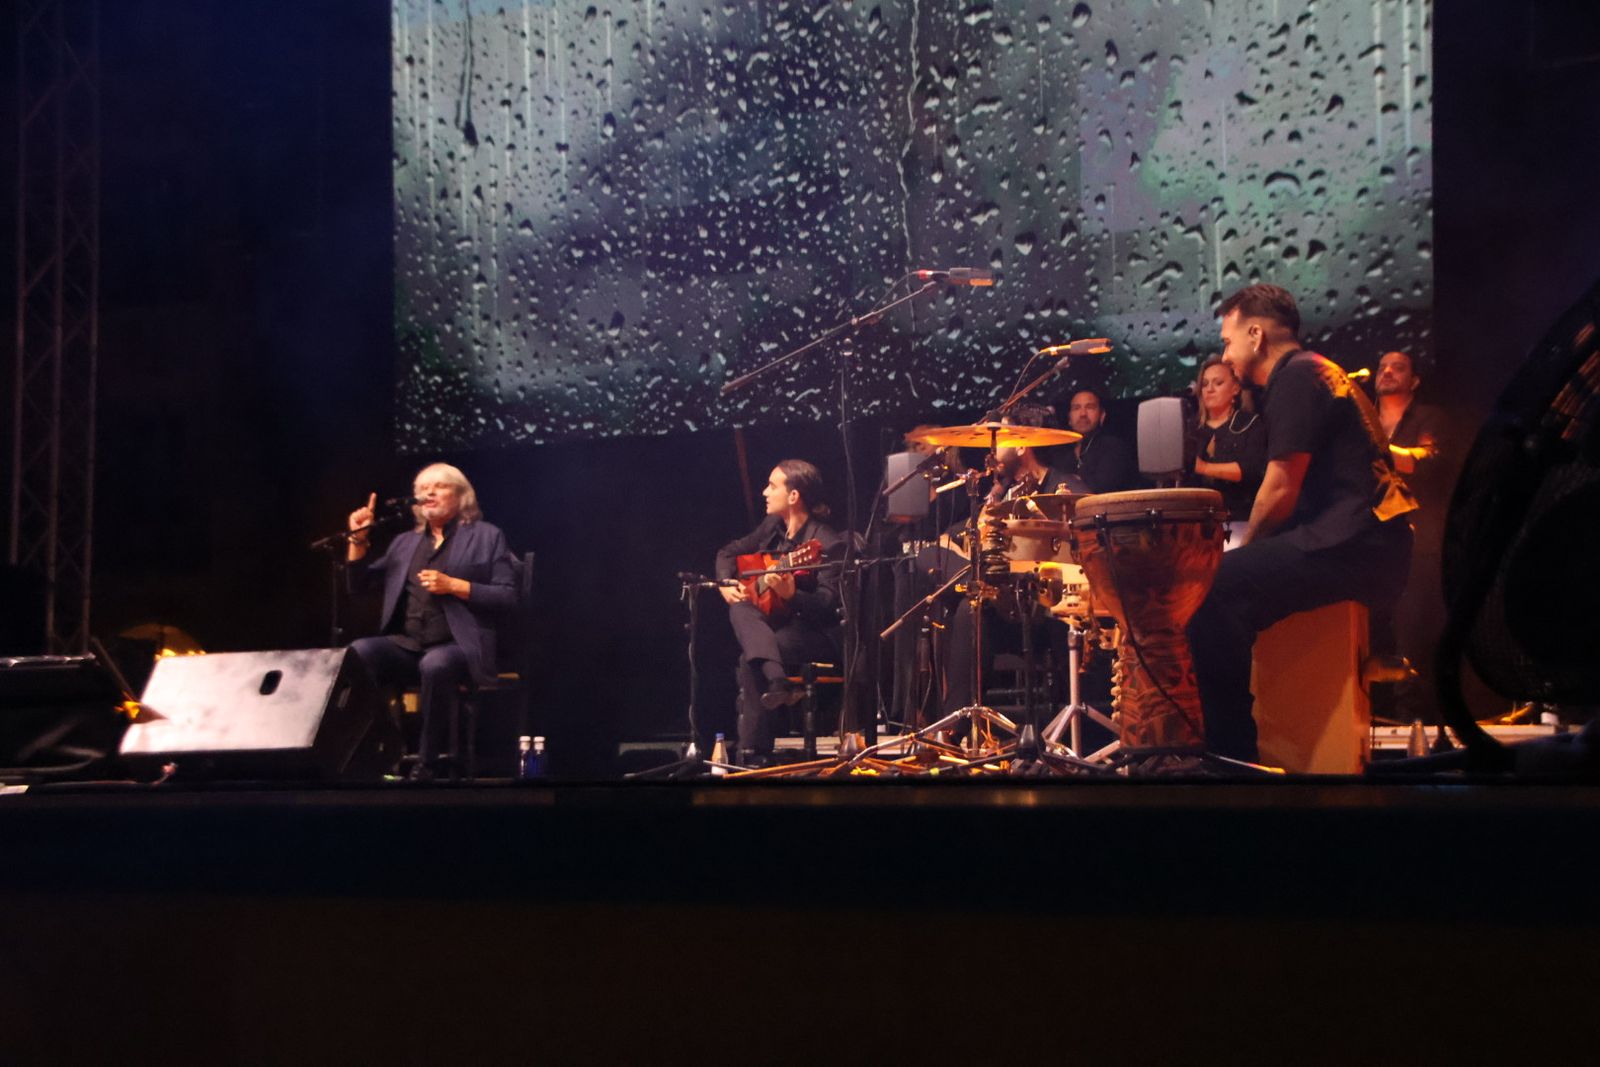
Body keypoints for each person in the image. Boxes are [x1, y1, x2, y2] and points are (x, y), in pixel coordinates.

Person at [1186, 285, 1417, 761]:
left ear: (1256, 334)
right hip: (1367, 541)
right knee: (1234, 579)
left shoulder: (1297, 375)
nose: (1225, 357)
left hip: (1356, 544)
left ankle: (1230, 758)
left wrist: (1246, 552)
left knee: (1214, 590)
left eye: (1228, 342)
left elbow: (1280, 487)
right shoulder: (1315, 372)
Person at [346, 463, 518, 779]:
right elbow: (359, 587)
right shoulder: (405, 543)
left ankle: (428, 762)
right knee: (358, 652)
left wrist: (455, 586)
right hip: (408, 644)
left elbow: (507, 596)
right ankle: (379, 749)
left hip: (461, 645)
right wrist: (358, 540)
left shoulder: (486, 536)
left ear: (462, 495)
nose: (429, 493)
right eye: (423, 489)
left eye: (439, 486)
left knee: (436, 664)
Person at [715, 460, 845, 764]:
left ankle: (752, 753)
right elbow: (727, 553)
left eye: (772, 485)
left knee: (752, 657)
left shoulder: (827, 541)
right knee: (741, 607)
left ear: (794, 496)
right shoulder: (772, 527)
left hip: (817, 634)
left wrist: (792, 595)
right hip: (776, 626)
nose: (764, 492)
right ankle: (777, 681)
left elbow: (829, 605)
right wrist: (724, 584)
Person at [1373, 349, 1450, 722]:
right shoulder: (1364, 416)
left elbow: (1431, 460)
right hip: (1369, 538)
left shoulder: (1428, 417)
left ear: (1414, 380)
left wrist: (1379, 450)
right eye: (1383, 366)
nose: (1386, 371)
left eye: (1397, 367)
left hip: (1418, 542)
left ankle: (1412, 725)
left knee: (1411, 635)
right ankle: (1367, 718)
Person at [1188, 356, 1268, 524]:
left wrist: (1204, 467)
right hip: (1195, 521)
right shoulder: (1191, 429)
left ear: (1235, 388)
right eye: (1204, 384)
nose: (1209, 389)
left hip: (1240, 519)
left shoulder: (1250, 423)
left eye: (1218, 383)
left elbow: (1251, 470)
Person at [1063, 387, 1140, 493]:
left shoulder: (1113, 447)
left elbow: (1099, 489)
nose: (1083, 414)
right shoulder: (1061, 451)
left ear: (1102, 415)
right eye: (1076, 408)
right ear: (1069, 418)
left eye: (1090, 407)